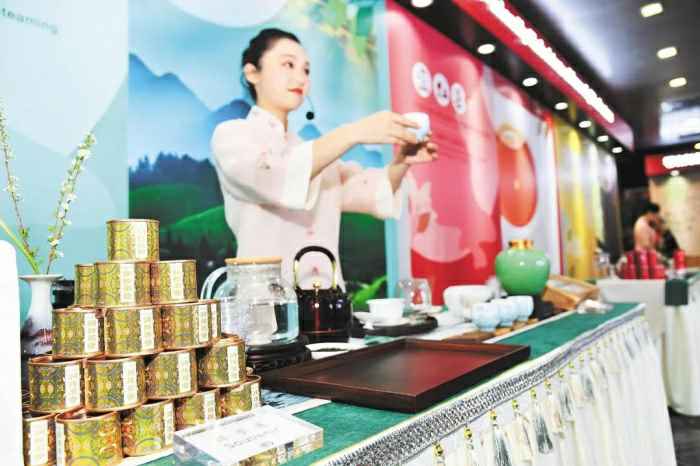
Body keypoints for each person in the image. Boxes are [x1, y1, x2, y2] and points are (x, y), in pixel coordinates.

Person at [211, 28, 438, 288]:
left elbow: (368, 191)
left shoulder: (312, 153)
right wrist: (354, 132)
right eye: (288, 64)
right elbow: (275, 174)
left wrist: (402, 162)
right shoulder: (233, 136)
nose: (300, 77)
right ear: (252, 73)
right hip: (266, 302)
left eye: (306, 70)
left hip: (328, 300)